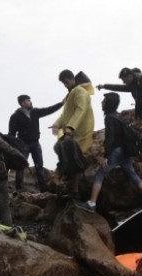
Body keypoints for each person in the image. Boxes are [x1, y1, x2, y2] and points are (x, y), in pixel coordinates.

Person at [75, 93, 142, 213]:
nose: (102, 102)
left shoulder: (109, 118)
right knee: (132, 174)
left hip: (116, 151)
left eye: (104, 100)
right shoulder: (118, 116)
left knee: (99, 174)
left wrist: (106, 157)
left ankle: (91, 203)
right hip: (125, 151)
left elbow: (110, 139)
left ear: (109, 103)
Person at [51, 70, 95, 198]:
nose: (65, 85)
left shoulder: (80, 91)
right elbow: (64, 115)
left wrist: (71, 127)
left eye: (66, 82)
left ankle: (75, 190)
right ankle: (70, 187)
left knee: (74, 159)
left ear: (72, 79)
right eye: (63, 83)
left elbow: (81, 110)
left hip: (79, 132)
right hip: (70, 132)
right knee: (61, 150)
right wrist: (56, 124)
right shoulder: (70, 94)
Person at [8, 95, 63, 193]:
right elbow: (11, 134)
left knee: (39, 165)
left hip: (36, 143)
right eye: (28, 100)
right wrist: (16, 144)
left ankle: (43, 188)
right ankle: (18, 189)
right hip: (23, 144)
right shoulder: (15, 116)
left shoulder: (35, 112)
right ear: (22, 103)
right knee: (21, 166)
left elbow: (48, 110)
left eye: (29, 100)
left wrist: (61, 103)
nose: (30, 102)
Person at [97, 67, 142, 145]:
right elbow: (120, 88)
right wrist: (105, 86)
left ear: (129, 76)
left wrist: (139, 108)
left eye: (124, 80)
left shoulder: (141, 80)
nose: (123, 82)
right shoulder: (132, 83)